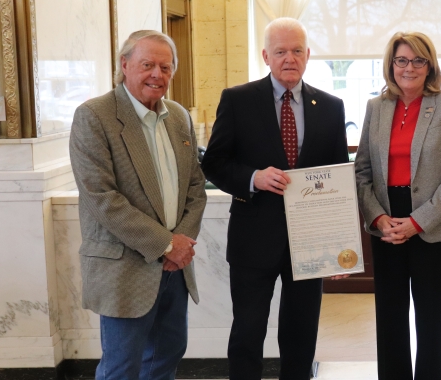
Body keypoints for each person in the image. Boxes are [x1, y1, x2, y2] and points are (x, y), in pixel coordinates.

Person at [200, 17, 349, 380]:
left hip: (311, 243)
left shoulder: (330, 106)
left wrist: (339, 246)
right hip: (254, 238)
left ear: (308, 55)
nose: (289, 58)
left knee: (300, 335)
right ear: (266, 55)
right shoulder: (237, 100)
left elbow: (339, 179)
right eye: (281, 51)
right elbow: (214, 164)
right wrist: (253, 178)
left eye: (297, 51)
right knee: (248, 333)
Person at [69, 30, 207, 379]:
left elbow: (195, 186)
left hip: (175, 269)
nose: (157, 74)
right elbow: (102, 198)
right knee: (122, 367)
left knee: (167, 356)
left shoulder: (178, 116)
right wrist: (166, 244)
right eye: (147, 65)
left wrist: (181, 244)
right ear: (124, 65)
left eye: (166, 66)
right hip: (124, 270)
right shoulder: (94, 116)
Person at [354, 31, 441, 379]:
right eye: (402, 60)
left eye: (418, 60)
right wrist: (377, 216)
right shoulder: (377, 107)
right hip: (386, 220)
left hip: (434, 222)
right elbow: (362, 170)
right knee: (389, 318)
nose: (410, 67)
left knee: (432, 321)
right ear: (391, 64)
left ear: (430, 65)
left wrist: (417, 221)